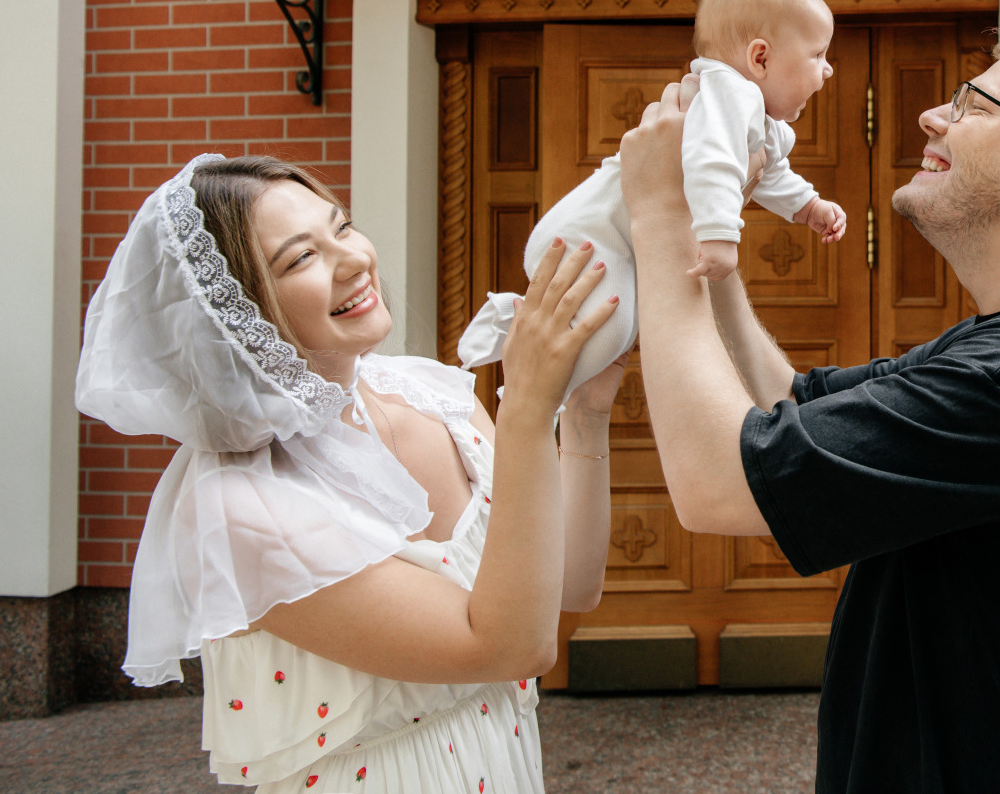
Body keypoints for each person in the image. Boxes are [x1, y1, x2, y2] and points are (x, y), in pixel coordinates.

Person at [618, 23, 1000, 794]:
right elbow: (781, 400)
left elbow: (718, 484)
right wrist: (712, 229)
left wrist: (657, 220)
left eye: (974, 107)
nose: (932, 118)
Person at [74, 154, 622, 793]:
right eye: (300, 258)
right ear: (233, 315)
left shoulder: (431, 392)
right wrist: (528, 407)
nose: (355, 258)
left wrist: (584, 411)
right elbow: (509, 647)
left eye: (342, 227)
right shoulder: (236, 505)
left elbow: (571, 587)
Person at [457, 0, 847, 394]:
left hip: (622, 237)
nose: (828, 68)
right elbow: (713, 161)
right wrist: (719, 234)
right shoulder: (731, 93)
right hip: (595, 231)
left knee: (619, 327)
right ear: (760, 58)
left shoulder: (756, 119)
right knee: (610, 325)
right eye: (817, 54)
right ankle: (531, 381)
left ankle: (533, 350)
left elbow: (768, 173)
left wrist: (807, 205)